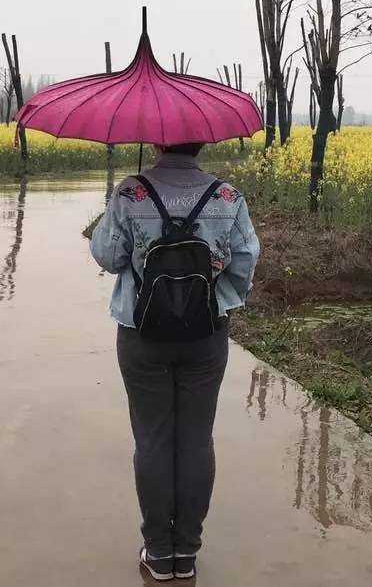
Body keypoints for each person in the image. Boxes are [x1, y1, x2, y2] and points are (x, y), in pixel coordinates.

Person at [90, 141, 260, 581]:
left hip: (141, 334)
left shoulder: (131, 192)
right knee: (196, 440)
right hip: (205, 336)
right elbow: (246, 259)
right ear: (202, 140)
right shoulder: (227, 196)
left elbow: (108, 257)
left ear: (159, 139)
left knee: (152, 441)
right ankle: (186, 553)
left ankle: (158, 553)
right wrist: (221, 298)